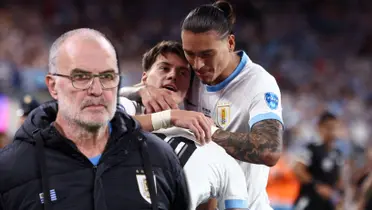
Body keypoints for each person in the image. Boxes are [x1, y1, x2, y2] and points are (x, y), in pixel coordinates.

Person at [0, 28, 190, 210]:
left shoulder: (160, 157)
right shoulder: (10, 169)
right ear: (53, 86)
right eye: (81, 77)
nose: (97, 90)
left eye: (107, 77)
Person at [120, 1, 284, 209]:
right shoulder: (190, 74)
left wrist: (207, 129)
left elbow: (270, 150)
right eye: (190, 53)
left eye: (207, 54)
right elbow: (124, 96)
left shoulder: (258, 83)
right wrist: (142, 90)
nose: (197, 64)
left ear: (230, 43)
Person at [119, 40, 249, 210]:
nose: (172, 75)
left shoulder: (206, 143)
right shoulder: (128, 106)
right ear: (145, 77)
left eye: (182, 73)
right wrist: (169, 116)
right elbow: (107, 127)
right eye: (164, 68)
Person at [292, 111, 344, 210]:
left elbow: (338, 180)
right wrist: (317, 185)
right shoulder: (311, 148)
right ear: (320, 127)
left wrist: (338, 196)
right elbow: (298, 170)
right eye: (329, 128)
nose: (332, 132)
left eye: (335, 128)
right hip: (309, 200)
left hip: (327, 204)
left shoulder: (338, 154)